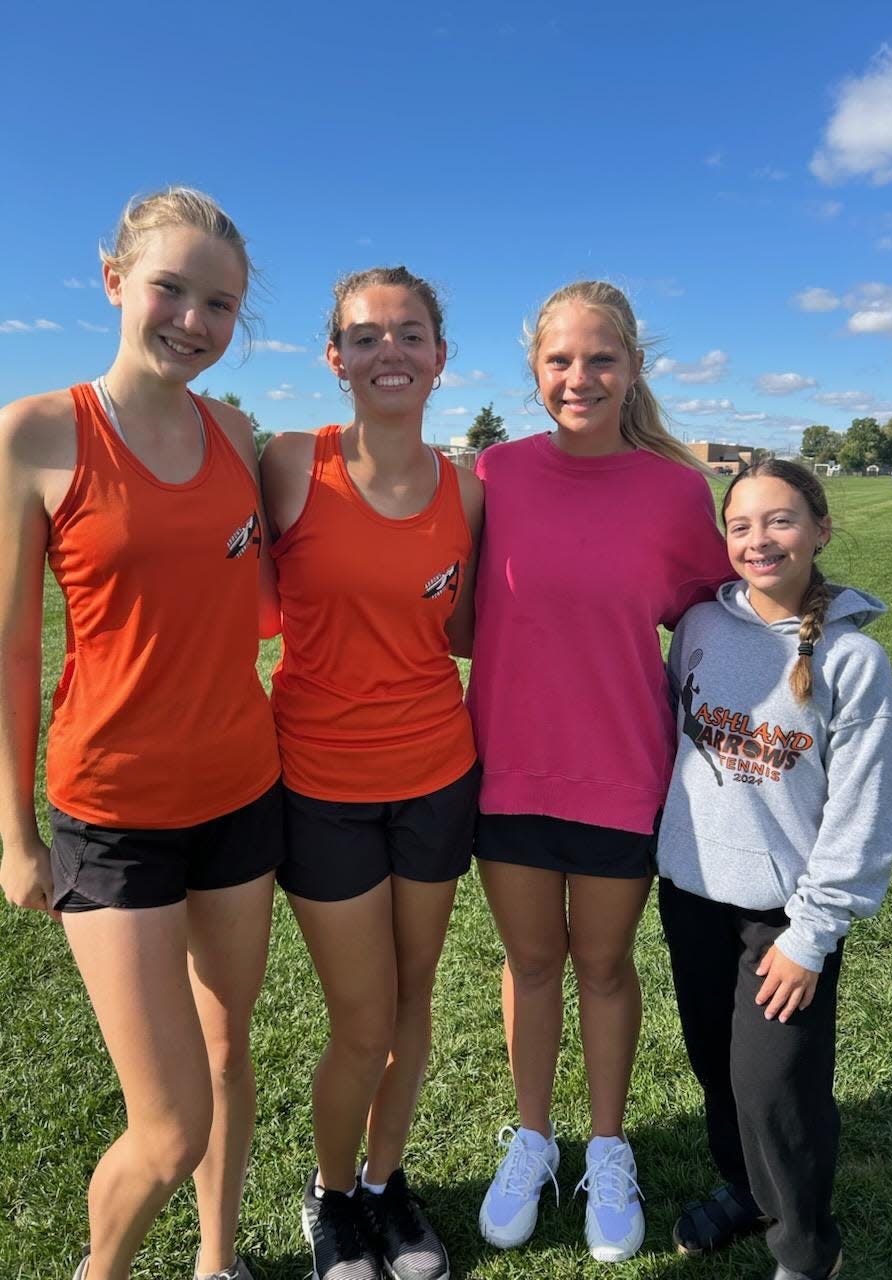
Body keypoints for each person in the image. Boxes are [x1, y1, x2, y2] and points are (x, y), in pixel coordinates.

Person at [0, 189, 282, 1280]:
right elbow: (13, 650)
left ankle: (218, 1261)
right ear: (114, 278)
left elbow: (252, 596)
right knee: (166, 1128)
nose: (195, 320)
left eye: (220, 304)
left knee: (225, 1050)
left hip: (241, 796)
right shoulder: (35, 433)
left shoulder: (237, 432)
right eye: (172, 288)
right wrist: (15, 834)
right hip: (111, 815)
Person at [466, 281, 733, 1262]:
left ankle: (607, 1146)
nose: (579, 378)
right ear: (536, 370)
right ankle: (533, 1140)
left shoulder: (673, 490)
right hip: (508, 770)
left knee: (605, 965)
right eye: (559, 362)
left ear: (631, 369)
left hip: (624, 770)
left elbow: (721, 617)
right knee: (532, 962)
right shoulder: (493, 473)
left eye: (600, 360)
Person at [261, 266, 483, 1280]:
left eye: (409, 333)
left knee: (415, 994)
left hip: (438, 772)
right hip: (320, 784)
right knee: (362, 1017)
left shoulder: (469, 488)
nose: (387, 350)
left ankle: (389, 1184)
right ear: (334, 357)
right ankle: (333, 1189)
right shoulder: (288, 463)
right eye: (364, 335)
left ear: (440, 355)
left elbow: (479, 624)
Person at [657, 460, 892, 1280]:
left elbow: (866, 811)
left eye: (782, 521)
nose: (760, 540)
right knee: (717, 1066)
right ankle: (743, 1189)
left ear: (821, 530)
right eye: (742, 525)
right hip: (692, 894)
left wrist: (812, 934)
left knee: (777, 1090)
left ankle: (806, 1250)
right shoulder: (698, 626)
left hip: (785, 916)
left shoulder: (852, 662)